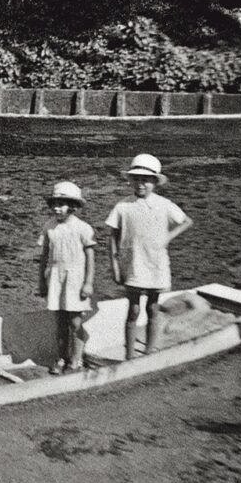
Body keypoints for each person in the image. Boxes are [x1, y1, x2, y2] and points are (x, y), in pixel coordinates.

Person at [105, 153, 192, 360]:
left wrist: (168, 237)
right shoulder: (123, 206)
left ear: (155, 182)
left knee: (152, 307)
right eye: (136, 179)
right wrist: (115, 266)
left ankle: (149, 352)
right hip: (133, 264)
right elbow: (112, 238)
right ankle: (129, 356)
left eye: (146, 179)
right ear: (131, 181)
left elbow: (186, 221)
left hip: (156, 264)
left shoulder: (164, 204)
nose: (141, 184)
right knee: (133, 309)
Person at [38, 181, 95, 374]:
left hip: (75, 279)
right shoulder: (49, 227)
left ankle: (76, 359)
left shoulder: (83, 228)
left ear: (72, 206)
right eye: (54, 204)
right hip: (55, 277)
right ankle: (62, 357)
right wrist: (41, 281)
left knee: (75, 321)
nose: (57, 208)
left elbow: (90, 258)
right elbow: (45, 256)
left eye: (62, 204)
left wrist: (88, 282)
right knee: (60, 322)